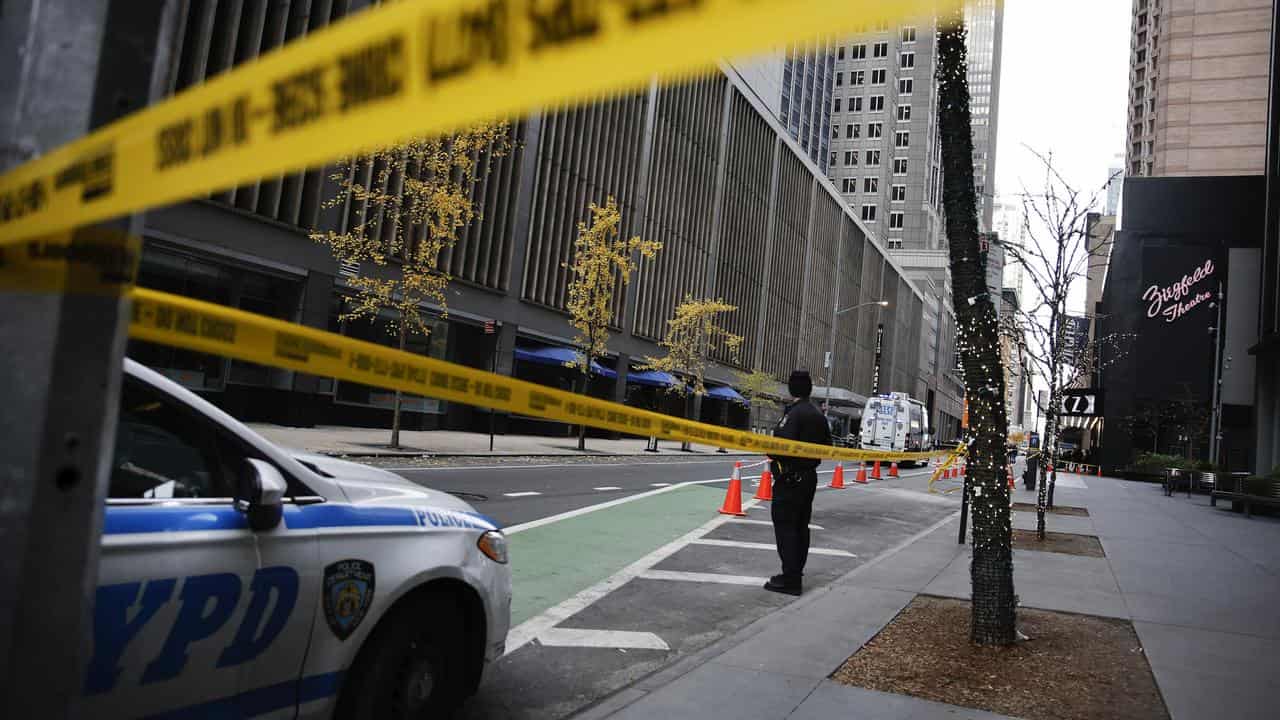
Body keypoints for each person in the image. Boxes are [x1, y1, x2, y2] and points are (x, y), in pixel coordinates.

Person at [764, 370, 832, 596]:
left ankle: (790, 578)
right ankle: (796, 572)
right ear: (810, 389)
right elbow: (828, 446)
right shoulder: (818, 415)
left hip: (790, 478)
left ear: (791, 388)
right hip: (808, 478)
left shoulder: (793, 414)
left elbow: (778, 448)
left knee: (786, 527)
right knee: (801, 527)